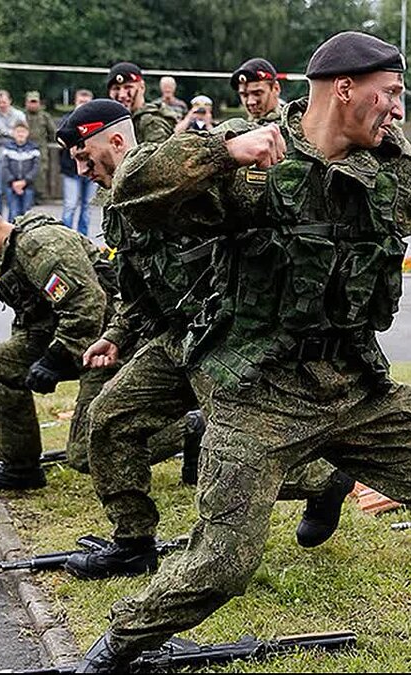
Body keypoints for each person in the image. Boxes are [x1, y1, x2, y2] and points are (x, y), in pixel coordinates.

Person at [73, 32, 411, 671]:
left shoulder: (391, 165)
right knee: (224, 563)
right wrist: (219, 150)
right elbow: (134, 189)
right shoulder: (255, 161)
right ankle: (118, 647)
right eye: (389, 95)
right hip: (259, 395)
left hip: (353, 385)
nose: (396, 109)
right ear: (344, 90)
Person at [53, 100, 351, 580]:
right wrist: (115, 335)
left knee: (237, 447)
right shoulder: (117, 202)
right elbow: (138, 285)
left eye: (85, 155)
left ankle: (323, 479)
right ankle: (133, 543)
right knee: (108, 418)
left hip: (218, 339)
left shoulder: (179, 178)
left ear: (115, 140)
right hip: (172, 341)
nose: (81, 168)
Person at [0, 195, 118, 491]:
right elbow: (34, 320)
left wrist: (54, 360)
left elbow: (88, 305)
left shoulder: (40, 246)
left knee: (84, 453)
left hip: (109, 342)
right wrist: (34, 356)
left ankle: (188, 430)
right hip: (79, 340)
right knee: (0, 361)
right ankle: (19, 468)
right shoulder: (13, 253)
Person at [106, 62, 178, 143]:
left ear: (142, 87)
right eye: (116, 89)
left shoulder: (151, 122)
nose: (122, 95)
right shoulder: (111, 122)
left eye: (128, 87)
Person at [60, 89, 98, 235]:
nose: (83, 105)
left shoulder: (97, 122)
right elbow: (62, 142)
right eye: (81, 102)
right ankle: (65, 237)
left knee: (88, 205)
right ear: (75, 102)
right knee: (70, 205)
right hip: (71, 170)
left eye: (87, 103)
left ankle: (84, 237)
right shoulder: (66, 120)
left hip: (92, 169)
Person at [0, 90, 27, 215]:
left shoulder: (19, 115)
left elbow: (22, 134)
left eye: (4, 101)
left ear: (10, 100)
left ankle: (15, 220)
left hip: (17, 157)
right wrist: (11, 133)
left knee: (14, 190)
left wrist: (2, 132)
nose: (1, 104)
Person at [22, 91, 56, 202]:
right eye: (30, 102)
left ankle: (39, 196)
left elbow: (53, 132)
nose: (32, 105)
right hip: (24, 147)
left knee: (41, 172)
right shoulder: (21, 115)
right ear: (26, 103)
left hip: (40, 148)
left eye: (35, 102)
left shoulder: (45, 116)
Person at [2, 121, 39, 218]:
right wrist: (13, 182)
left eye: (23, 132)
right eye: (18, 131)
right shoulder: (8, 148)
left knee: (26, 213)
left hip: (28, 185)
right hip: (11, 185)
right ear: (13, 133)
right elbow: (5, 167)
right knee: (13, 212)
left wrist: (25, 181)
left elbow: (35, 167)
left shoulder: (33, 148)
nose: (20, 134)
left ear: (27, 133)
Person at [230, 58, 282, 122]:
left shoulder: (293, 126)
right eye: (244, 95)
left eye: (257, 94)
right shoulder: (239, 129)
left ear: (276, 89)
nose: (251, 102)